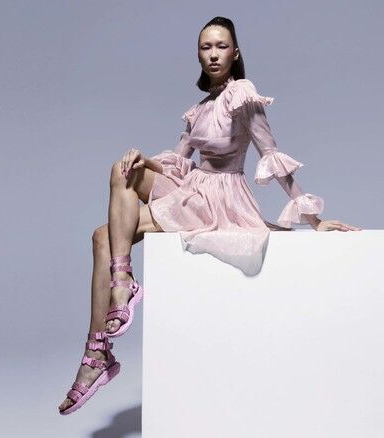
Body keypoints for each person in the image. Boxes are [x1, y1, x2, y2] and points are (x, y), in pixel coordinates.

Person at [58, 16, 361, 416]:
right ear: (198, 55)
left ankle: (112, 316)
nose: (214, 54)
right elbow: (177, 165)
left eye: (221, 46)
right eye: (206, 47)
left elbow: (272, 154)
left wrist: (314, 220)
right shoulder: (200, 109)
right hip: (191, 189)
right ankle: (99, 346)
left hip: (220, 200)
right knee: (116, 190)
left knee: (108, 230)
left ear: (235, 53)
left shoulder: (242, 96)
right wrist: (144, 160)